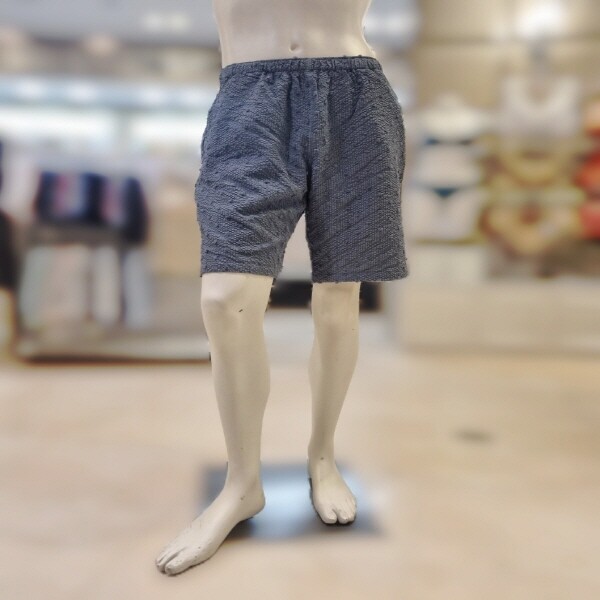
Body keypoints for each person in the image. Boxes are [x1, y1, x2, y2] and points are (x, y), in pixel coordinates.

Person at [156, 0, 408, 576]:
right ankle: (242, 482)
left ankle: (323, 457)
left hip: (356, 100)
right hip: (250, 101)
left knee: (339, 298)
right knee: (225, 297)